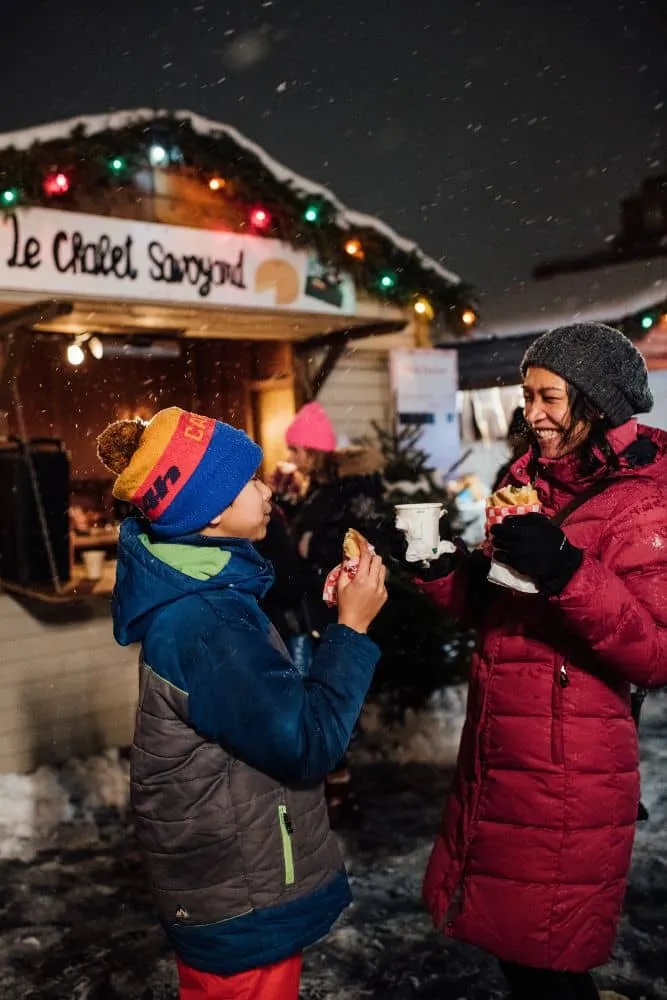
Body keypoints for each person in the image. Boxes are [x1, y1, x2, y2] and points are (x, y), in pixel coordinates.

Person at [95, 406, 387, 1000]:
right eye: (249, 481)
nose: (266, 489)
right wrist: (352, 631)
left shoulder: (207, 598)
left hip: (234, 881)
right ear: (211, 512)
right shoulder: (208, 622)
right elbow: (306, 742)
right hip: (240, 891)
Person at [413, 323, 667, 1000]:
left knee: (546, 962)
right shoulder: (523, 477)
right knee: (517, 954)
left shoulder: (642, 500)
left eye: (548, 397)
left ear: (597, 399)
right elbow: (499, 604)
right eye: (526, 396)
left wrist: (564, 568)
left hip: (568, 763)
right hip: (499, 746)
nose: (531, 415)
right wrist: (443, 569)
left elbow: (654, 652)